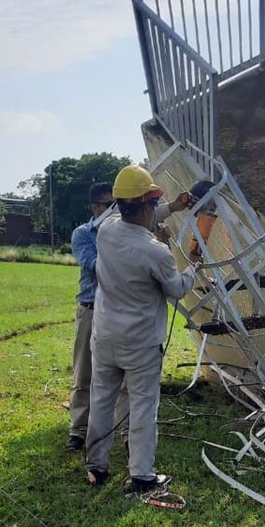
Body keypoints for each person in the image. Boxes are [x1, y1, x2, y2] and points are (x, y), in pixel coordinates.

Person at [84, 165, 197, 497]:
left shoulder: (105, 230)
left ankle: (96, 466)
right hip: (140, 344)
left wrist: (173, 207)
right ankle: (142, 477)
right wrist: (193, 267)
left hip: (104, 336)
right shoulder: (156, 252)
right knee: (143, 407)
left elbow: (135, 217)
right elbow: (176, 289)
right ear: (146, 206)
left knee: (101, 401)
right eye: (154, 204)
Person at [67, 182, 124, 451]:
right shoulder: (83, 234)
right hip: (91, 309)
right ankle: (78, 429)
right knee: (84, 373)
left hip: (119, 311)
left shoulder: (126, 233)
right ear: (95, 207)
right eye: (108, 205)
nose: (115, 210)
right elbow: (94, 266)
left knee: (122, 374)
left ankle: (122, 429)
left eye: (117, 204)